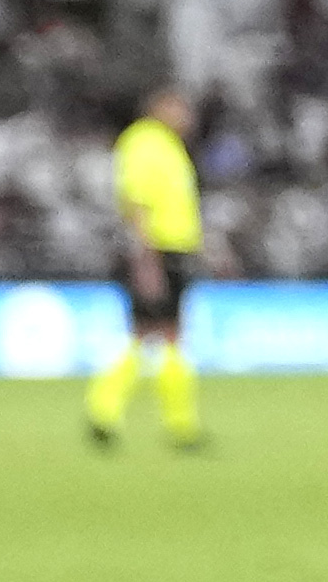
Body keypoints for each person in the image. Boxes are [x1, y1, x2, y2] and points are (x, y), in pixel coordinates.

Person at [85, 83, 206, 453]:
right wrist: (145, 258)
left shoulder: (168, 146)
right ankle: (175, 423)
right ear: (161, 107)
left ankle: (108, 411)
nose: (187, 116)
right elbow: (135, 202)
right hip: (157, 251)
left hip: (174, 250)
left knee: (156, 334)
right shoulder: (143, 143)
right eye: (180, 107)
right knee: (161, 334)